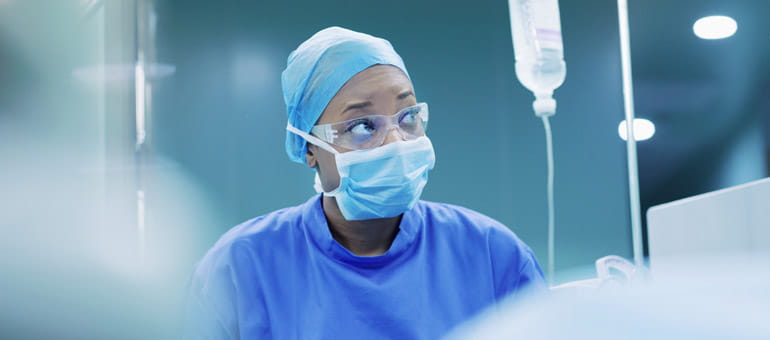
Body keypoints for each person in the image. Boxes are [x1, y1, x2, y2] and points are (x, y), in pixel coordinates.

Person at [186, 26, 546, 339]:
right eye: (362, 126)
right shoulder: (241, 269)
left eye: (407, 118)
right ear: (309, 148)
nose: (395, 142)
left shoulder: (492, 256)